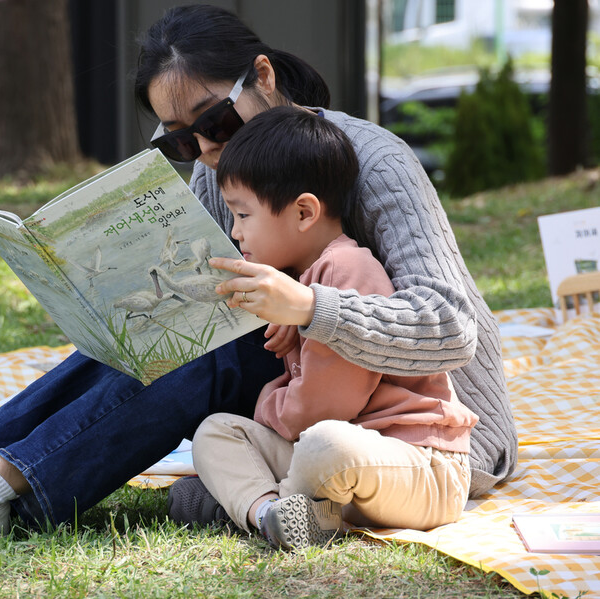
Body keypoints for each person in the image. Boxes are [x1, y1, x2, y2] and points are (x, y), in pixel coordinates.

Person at [0, 4, 516, 543]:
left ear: (262, 77)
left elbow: (451, 329)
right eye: (177, 139)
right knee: (161, 329)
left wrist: (307, 307)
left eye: (215, 122)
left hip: (422, 430)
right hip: (295, 392)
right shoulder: (216, 170)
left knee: (203, 346)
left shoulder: (375, 160)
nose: (202, 151)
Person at [184, 105, 478, 551]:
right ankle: (271, 514)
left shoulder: (345, 268)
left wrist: (267, 401)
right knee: (218, 431)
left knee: (324, 443)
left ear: (304, 213)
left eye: (243, 215)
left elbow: (325, 407)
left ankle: (252, 505)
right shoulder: (295, 284)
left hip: (419, 463)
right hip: (345, 466)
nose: (235, 232)